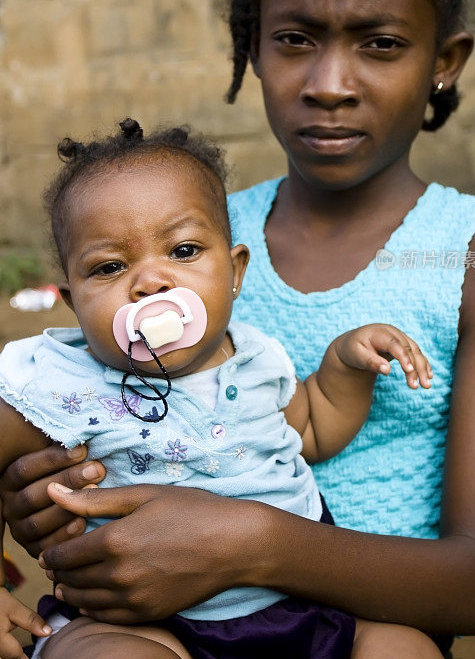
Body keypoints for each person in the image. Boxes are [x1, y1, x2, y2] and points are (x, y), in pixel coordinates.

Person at [1, 0, 475, 659]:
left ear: (443, 60)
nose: (328, 86)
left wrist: (249, 541)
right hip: (150, 629)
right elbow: (56, 430)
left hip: (355, 634)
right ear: (250, 47)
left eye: (380, 44)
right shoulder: (175, 236)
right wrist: (41, 496)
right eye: (294, 39)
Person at [0, 118, 432, 659]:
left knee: (403, 648)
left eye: (182, 252)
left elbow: (315, 425)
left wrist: (345, 366)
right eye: (110, 266)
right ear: (73, 301)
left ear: (235, 271)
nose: (151, 282)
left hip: (297, 606)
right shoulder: (58, 380)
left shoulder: (256, 360)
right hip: (135, 622)